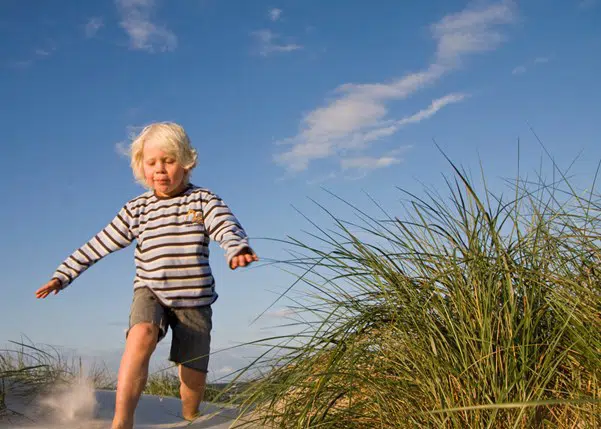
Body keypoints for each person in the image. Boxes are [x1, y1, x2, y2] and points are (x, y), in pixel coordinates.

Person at [35, 122, 258, 429]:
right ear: (141, 167)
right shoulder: (137, 209)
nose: (160, 170)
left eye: (168, 161)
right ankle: (121, 421)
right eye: (152, 163)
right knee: (141, 334)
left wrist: (236, 248)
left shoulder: (202, 200)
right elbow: (98, 244)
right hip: (150, 290)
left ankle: (191, 417)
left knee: (192, 375)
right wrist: (63, 275)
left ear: (186, 162)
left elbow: (226, 226)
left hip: (194, 298)